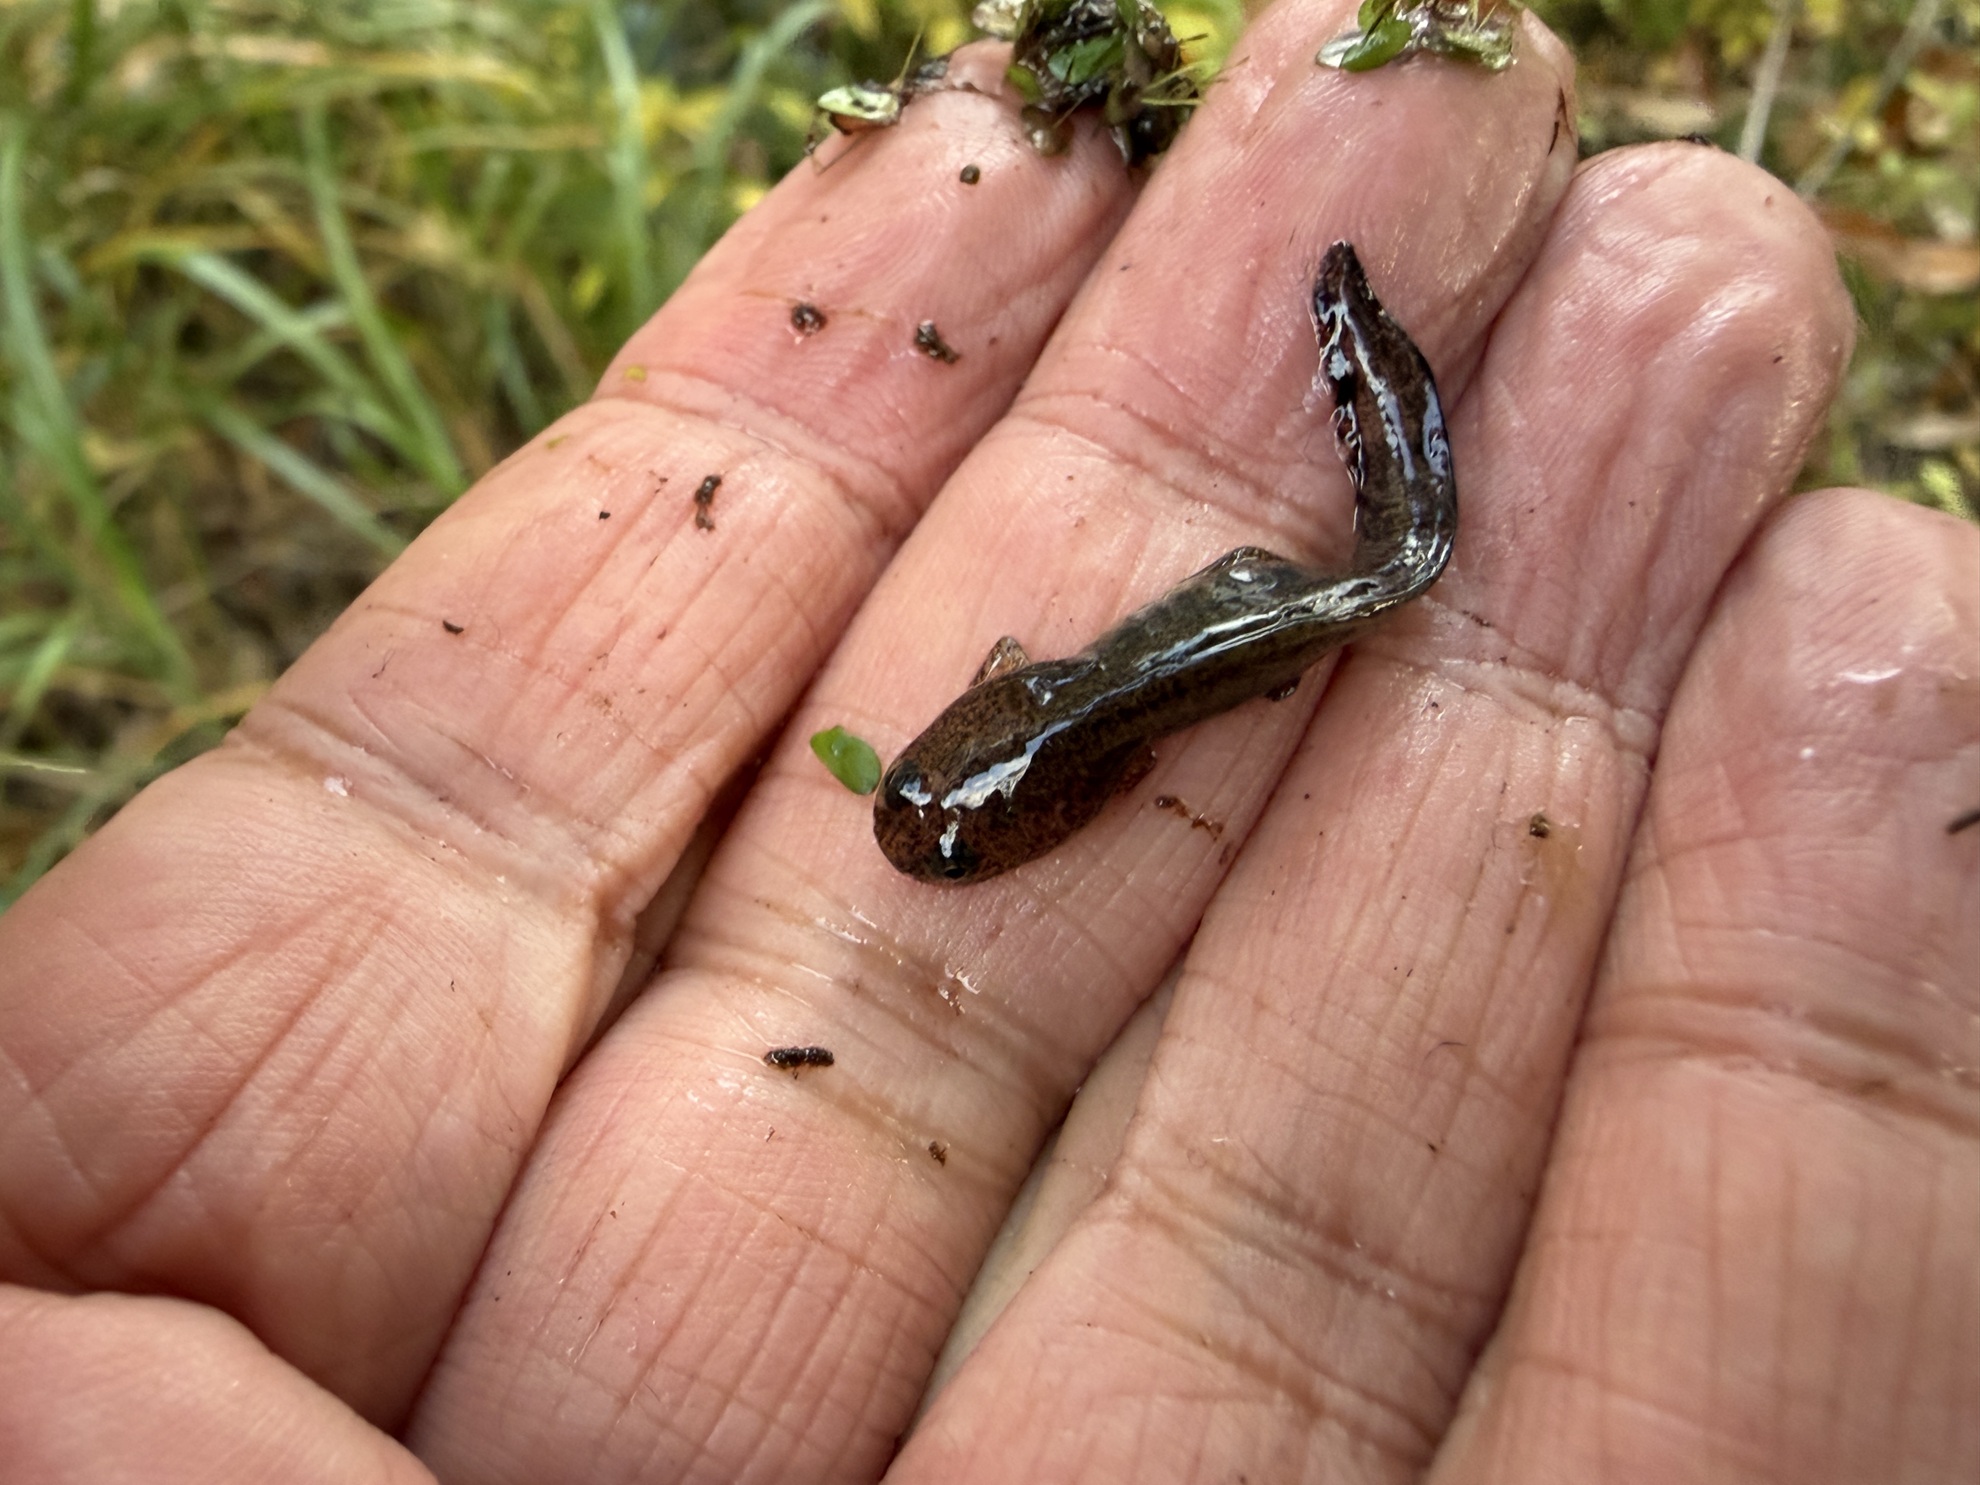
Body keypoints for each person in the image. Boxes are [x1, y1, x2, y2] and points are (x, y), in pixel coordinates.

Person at [2, 7, 1974, 1482]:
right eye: (951, 794)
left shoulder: (1094, 722)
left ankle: (1360, 363)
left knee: (1373, 577)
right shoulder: (1042, 739)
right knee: (1345, 585)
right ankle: (1355, 391)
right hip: (1193, 646)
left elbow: (1057, 730)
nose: (931, 811)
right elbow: (1024, 744)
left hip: (1224, 638)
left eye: (955, 795)